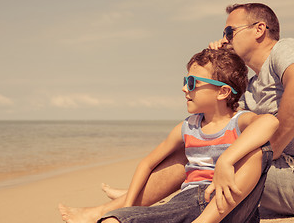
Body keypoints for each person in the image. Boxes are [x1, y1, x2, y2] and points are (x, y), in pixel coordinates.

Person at [59, 48, 279, 223]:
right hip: (192, 201)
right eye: (185, 81)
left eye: (192, 83)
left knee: (259, 150)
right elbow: (147, 163)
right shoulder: (188, 127)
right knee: (115, 220)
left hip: (232, 206)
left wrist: (226, 160)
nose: (185, 88)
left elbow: (270, 121)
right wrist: (129, 205)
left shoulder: (238, 121)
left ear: (222, 92)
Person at [208, 3, 294, 216]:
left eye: (230, 31)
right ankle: (135, 200)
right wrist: (215, 64)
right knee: (203, 154)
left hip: (288, 172)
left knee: (209, 165)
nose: (226, 38)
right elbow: (222, 125)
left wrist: (272, 150)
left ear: (259, 29)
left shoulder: (281, 50)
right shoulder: (250, 88)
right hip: (282, 174)